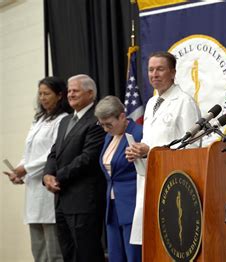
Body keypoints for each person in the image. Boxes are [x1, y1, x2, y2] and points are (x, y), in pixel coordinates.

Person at [125, 51, 201, 245]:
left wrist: (149, 151)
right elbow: (151, 141)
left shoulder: (185, 102)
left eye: (160, 69)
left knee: (171, 239)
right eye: (151, 70)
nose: (154, 74)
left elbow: (192, 148)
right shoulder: (151, 103)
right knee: (152, 240)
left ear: (173, 73)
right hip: (149, 177)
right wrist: (138, 152)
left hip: (173, 182)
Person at [2, 77, 70, 262]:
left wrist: (26, 168)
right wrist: (18, 169)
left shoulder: (62, 120)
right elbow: (29, 152)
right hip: (32, 192)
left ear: (59, 95)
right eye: (40, 94)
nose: (42, 98)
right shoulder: (38, 120)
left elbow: (52, 153)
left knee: (54, 253)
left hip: (48, 190)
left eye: (47, 93)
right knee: (38, 251)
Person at [43, 74, 106, 262]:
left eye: (75, 90)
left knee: (87, 254)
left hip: (83, 200)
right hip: (62, 200)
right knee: (68, 253)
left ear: (90, 93)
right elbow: (54, 153)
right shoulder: (64, 121)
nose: (70, 94)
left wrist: (57, 177)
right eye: (69, 90)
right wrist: (47, 174)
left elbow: (87, 159)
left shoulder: (97, 119)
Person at [95, 96, 143, 262]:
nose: (105, 129)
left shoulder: (139, 133)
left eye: (109, 124)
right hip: (112, 205)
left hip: (132, 204)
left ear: (122, 117)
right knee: (115, 255)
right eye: (102, 125)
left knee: (133, 256)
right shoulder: (109, 136)